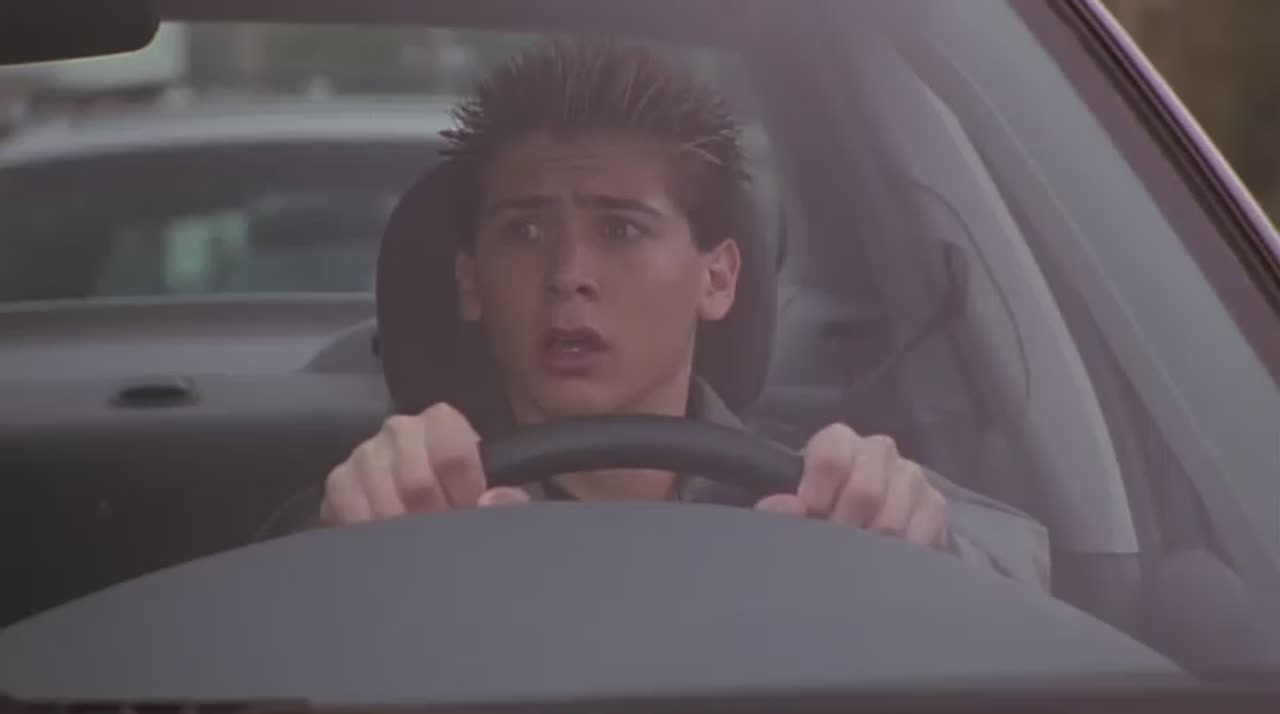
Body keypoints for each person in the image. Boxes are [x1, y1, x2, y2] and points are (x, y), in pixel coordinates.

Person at [271, 38, 1049, 591]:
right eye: (526, 231)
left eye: (621, 230)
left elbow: (1038, 585)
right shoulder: (391, 511)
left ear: (718, 278)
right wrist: (342, 549)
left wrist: (926, 539)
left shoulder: (822, 504)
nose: (568, 277)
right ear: (470, 284)